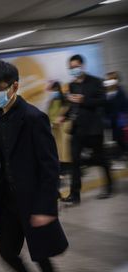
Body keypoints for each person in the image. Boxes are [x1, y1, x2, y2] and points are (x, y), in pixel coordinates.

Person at [0, 61, 68, 272]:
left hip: (32, 199)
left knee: (40, 254)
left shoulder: (33, 118)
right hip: (9, 201)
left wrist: (46, 207)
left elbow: (50, 166)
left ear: (15, 86)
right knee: (7, 252)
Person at [59, 55, 113, 204]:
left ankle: (108, 186)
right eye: (71, 68)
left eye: (76, 67)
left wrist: (84, 100)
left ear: (82, 66)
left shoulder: (96, 82)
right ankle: (75, 195)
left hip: (93, 129)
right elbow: (73, 106)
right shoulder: (71, 86)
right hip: (77, 129)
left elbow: (103, 101)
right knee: (74, 162)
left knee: (101, 159)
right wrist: (65, 116)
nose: (74, 70)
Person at [103, 72, 128, 159]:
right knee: (116, 137)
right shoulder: (106, 92)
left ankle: (123, 152)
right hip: (111, 118)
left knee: (121, 137)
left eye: (111, 79)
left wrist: (124, 119)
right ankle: (121, 153)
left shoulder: (120, 91)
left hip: (120, 118)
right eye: (108, 79)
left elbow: (125, 105)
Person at [47, 81, 72, 167]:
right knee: (58, 147)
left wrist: (62, 117)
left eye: (53, 90)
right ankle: (62, 164)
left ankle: (68, 165)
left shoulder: (64, 99)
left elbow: (67, 111)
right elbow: (50, 113)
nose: (52, 92)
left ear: (57, 88)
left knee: (65, 147)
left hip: (63, 126)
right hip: (55, 126)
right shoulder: (52, 100)